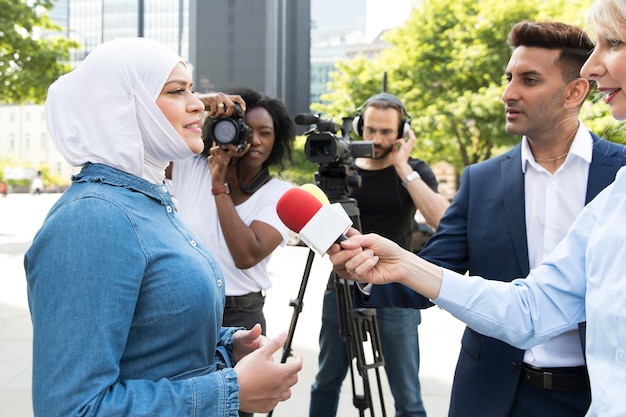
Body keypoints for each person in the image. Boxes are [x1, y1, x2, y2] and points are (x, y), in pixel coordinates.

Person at [328, 2, 626, 416]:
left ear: (574, 92)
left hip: (592, 395)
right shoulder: (482, 179)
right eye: (509, 78)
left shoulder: (619, 174)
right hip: (492, 395)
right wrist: (367, 276)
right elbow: (488, 290)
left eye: (529, 79)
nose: (508, 93)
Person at [24, 37, 301, 417]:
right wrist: (229, 390)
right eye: (178, 91)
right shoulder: (92, 219)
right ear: (125, 106)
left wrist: (224, 347)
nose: (197, 104)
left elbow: (147, 338)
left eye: (192, 90)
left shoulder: (146, 200)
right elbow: (72, 408)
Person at [309, 93, 449, 417]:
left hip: (397, 290)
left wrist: (402, 167)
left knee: (407, 396)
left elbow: (442, 220)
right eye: (370, 129)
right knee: (326, 381)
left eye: (386, 131)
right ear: (360, 126)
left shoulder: (413, 171)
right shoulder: (338, 171)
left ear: (402, 132)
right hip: (342, 287)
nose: (376, 138)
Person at [167, 86, 296, 417]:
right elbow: (140, 142)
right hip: (188, 310)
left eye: (265, 133)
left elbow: (247, 254)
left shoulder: (280, 195)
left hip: (241, 318)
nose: (254, 140)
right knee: (186, 405)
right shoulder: (189, 167)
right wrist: (198, 105)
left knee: (233, 410)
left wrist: (219, 185)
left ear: (277, 140)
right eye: (245, 130)